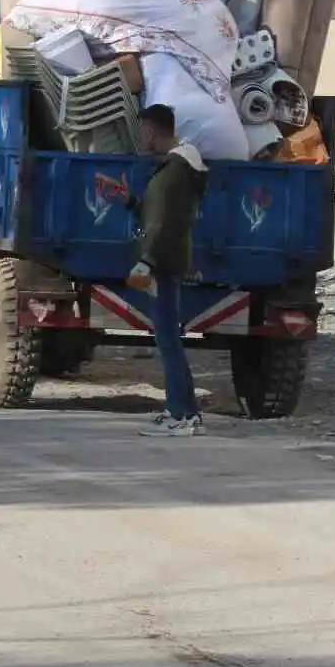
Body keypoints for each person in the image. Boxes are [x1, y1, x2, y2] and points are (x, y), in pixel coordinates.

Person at [127, 104, 210, 437]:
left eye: (143, 130)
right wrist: (128, 202)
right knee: (170, 341)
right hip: (166, 262)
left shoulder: (176, 170)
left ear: (153, 130)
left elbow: (167, 223)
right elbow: (155, 215)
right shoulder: (174, 168)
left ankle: (180, 414)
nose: (141, 137)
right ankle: (186, 412)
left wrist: (147, 262)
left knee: (168, 343)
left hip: (163, 265)